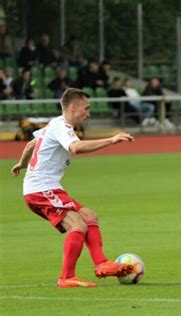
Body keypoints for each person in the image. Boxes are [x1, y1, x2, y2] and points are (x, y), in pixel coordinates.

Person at [11, 88, 135, 288]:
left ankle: (101, 264)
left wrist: (21, 164)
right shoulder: (61, 126)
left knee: (89, 216)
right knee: (78, 225)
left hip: (44, 188)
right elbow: (76, 148)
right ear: (73, 107)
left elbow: (30, 145)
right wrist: (111, 140)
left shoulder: (54, 124)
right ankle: (66, 277)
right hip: (41, 189)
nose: (89, 112)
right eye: (86, 108)